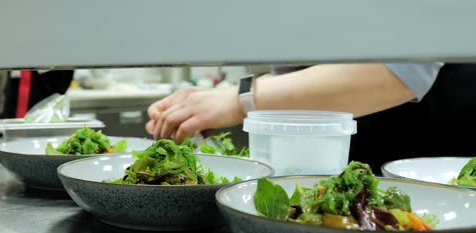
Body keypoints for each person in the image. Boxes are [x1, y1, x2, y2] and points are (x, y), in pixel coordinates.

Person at [146, 63, 476, 172]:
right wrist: (221, 98)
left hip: (429, 142)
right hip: (340, 148)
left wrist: (242, 98)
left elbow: (402, 72)